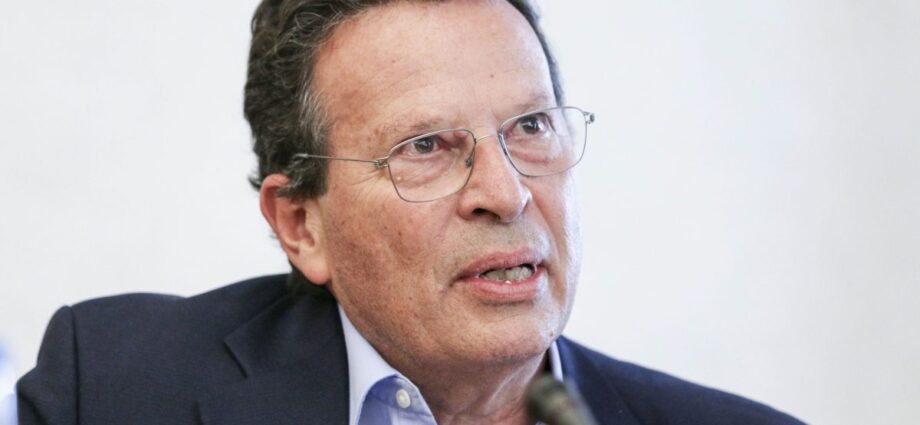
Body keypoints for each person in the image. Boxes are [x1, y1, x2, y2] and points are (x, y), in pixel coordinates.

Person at [17, 1, 805, 424]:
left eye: (531, 127)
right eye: (426, 145)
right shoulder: (114, 386)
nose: (506, 192)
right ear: (301, 225)